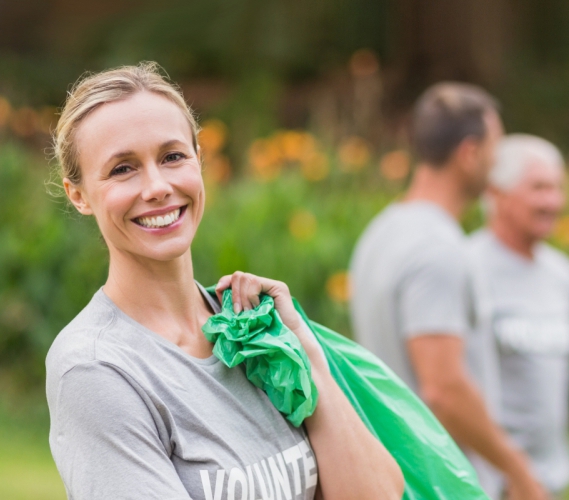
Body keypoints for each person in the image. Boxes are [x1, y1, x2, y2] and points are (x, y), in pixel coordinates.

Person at [44, 62, 403, 500]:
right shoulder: (97, 369)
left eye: (173, 156)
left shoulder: (253, 331)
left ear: (200, 159)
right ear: (78, 195)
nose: (157, 187)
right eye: (123, 168)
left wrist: (305, 354)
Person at [348, 83, 546, 500]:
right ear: (469, 153)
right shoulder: (439, 249)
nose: (498, 161)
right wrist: (518, 470)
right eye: (496, 147)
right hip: (441, 479)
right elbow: (443, 388)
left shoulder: (381, 232)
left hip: (395, 469)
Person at [469, 134, 569, 496]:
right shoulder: (468, 267)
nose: (553, 201)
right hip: (490, 482)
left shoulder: (564, 274)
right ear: (497, 193)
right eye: (539, 188)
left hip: (550, 481)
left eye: (557, 188)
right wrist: (511, 473)